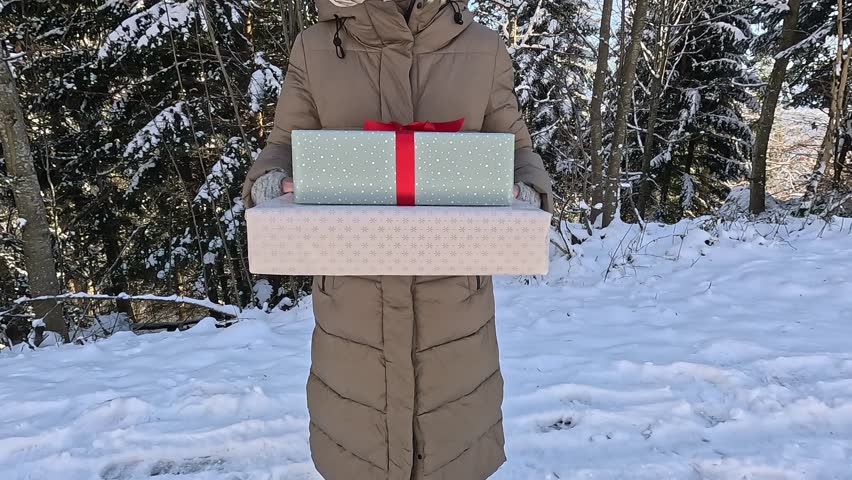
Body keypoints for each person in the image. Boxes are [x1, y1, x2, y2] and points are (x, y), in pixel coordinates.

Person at [241, 0, 553, 478]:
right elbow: (283, 143)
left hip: (455, 316)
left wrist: (528, 187)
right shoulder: (315, 47)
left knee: (453, 456)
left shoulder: (484, 48)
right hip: (353, 315)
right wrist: (270, 178)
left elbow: (517, 150)